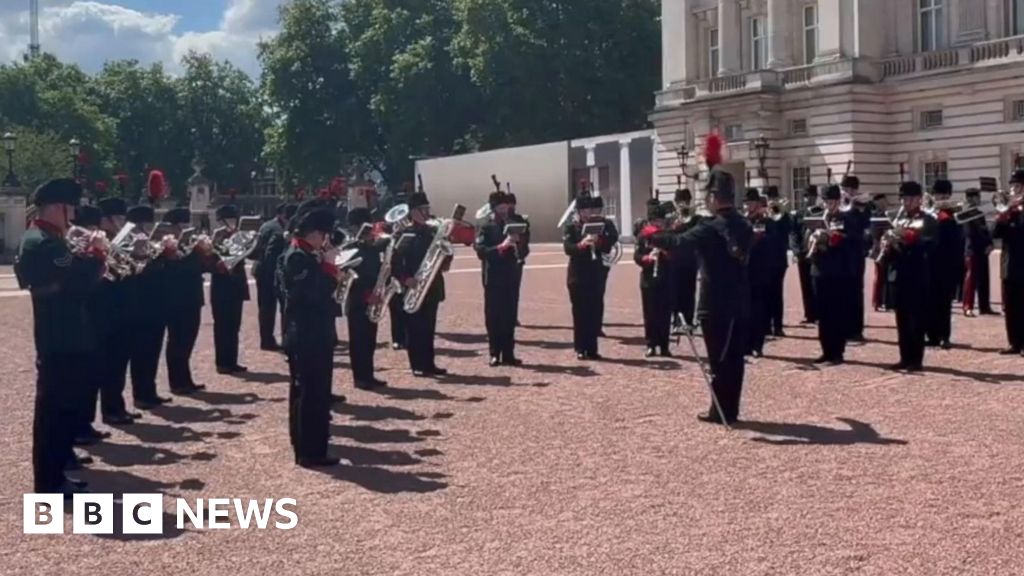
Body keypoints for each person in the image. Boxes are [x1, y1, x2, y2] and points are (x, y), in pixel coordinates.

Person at [16, 178, 106, 495]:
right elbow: (75, 281)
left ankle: (59, 468)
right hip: (58, 336)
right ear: (59, 207)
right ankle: (49, 481)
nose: (73, 216)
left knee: (65, 407)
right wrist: (96, 257)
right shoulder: (42, 242)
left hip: (68, 333)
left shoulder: (52, 239)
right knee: (53, 413)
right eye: (71, 209)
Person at [644, 167, 752, 425]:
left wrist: (652, 236)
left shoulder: (710, 228)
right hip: (740, 299)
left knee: (718, 360)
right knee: (735, 358)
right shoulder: (744, 224)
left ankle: (721, 411)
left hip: (714, 301)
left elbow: (679, 243)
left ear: (714, 198)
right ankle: (729, 408)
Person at [282, 201, 346, 468]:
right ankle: (311, 450)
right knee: (312, 393)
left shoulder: (305, 254)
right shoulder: (298, 257)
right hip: (308, 333)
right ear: (313, 233)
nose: (325, 241)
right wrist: (330, 269)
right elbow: (312, 294)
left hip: (310, 332)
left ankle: (307, 445)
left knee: (308, 391)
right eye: (323, 235)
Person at [88, 197, 142, 427]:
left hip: (125, 310)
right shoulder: (97, 244)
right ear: (105, 221)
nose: (121, 222)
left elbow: (133, 272)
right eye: (117, 218)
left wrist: (139, 253)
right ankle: (109, 410)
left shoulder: (123, 242)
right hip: (105, 312)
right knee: (107, 364)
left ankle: (116, 405)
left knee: (120, 362)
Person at [392, 189, 451, 376]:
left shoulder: (434, 232)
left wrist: (446, 255)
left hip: (432, 284)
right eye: (422, 209)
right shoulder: (404, 233)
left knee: (429, 327)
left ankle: (429, 363)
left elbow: (442, 257)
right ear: (413, 212)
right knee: (414, 327)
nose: (426, 212)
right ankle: (417, 365)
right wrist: (405, 278)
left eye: (427, 208)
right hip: (413, 284)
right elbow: (394, 261)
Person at [878, 182, 936, 371]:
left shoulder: (927, 219)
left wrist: (908, 238)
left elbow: (930, 244)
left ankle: (915, 360)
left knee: (916, 320)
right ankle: (904, 357)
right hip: (898, 274)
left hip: (917, 274)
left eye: (910, 198)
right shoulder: (898, 220)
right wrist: (888, 245)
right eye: (903, 198)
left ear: (919, 199)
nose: (906, 202)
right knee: (901, 319)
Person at [160, 207, 215, 395]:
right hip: (176, 298)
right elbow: (175, 269)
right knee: (177, 341)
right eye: (180, 224)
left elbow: (202, 267)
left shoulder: (190, 245)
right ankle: (176, 381)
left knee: (188, 340)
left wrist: (203, 253)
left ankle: (186, 378)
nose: (184, 228)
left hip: (192, 297)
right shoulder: (166, 247)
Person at [808, 185, 862, 365]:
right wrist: (813, 237)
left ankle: (837, 352)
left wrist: (836, 238)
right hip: (820, 271)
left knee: (837, 313)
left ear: (838, 201)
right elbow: (804, 239)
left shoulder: (846, 218)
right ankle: (826, 350)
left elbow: (854, 241)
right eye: (826, 201)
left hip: (838, 271)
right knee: (823, 314)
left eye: (832, 201)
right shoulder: (817, 218)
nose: (829, 205)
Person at [563, 193, 619, 360]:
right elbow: (568, 248)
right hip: (578, 275)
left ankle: (592, 348)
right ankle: (581, 347)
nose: (588, 213)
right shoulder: (572, 227)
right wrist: (582, 244)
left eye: (590, 209)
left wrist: (599, 240)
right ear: (579, 212)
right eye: (584, 210)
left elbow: (611, 240)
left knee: (593, 310)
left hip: (595, 272)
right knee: (580, 312)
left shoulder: (602, 224)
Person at [475, 189, 524, 366]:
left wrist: (519, 242)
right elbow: (481, 251)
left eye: (505, 207)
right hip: (493, 276)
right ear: (493, 208)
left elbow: (524, 251)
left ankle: (509, 353)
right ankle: (494, 353)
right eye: (500, 207)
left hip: (511, 275)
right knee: (494, 316)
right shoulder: (486, 228)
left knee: (509, 316)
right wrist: (501, 248)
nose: (504, 210)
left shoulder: (513, 224)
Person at [346, 208, 388, 389]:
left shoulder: (370, 247)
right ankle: (360, 377)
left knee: (369, 340)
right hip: (357, 302)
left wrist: (380, 291)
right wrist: (367, 295)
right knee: (358, 342)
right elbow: (350, 279)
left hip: (373, 298)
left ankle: (368, 374)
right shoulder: (349, 249)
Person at [211, 204, 250, 374]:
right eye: (229, 219)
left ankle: (232, 360)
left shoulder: (239, 235)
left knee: (234, 325)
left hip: (236, 284)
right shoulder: (217, 236)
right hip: (222, 285)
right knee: (222, 325)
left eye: (234, 219)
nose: (232, 222)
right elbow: (214, 258)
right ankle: (222, 362)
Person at [925, 180, 963, 349]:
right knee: (929, 301)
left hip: (946, 263)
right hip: (929, 263)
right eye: (938, 194)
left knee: (944, 302)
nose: (941, 197)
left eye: (944, 194)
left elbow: (957, 239)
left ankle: (944, 336)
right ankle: (932, 334)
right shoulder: (928, 213)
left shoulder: (953, 214)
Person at [251, 203, 293, 351]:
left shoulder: (267, 225)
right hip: (269, 272)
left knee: (266, 308)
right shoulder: (278, 230)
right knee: (278, 307)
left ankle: (267, 339)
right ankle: (283, 340)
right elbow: (271, 254)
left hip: (261, 270)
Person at [634, 199, 673, 357]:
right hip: (649, 279)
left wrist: (665, 253)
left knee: (665, 313)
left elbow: (678, 254)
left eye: (660, 221)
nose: (658, 224)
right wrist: (647, 258)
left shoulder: (669, 235)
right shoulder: (643, 236)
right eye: (655, 221)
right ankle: (651, 344)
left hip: (666, 278)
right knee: (650, 313)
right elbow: (637, 256)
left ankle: (664, 345)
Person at [993, 170, 1024, 355]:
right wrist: (1002, 217)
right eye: (1012, 186)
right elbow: (995, 235)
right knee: (1011, 307)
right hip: (1009, 265)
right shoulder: (1009, 212)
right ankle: (1014, 342)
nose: (1013, 190)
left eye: (1018, 186)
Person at [841, 175, 871, 341]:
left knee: (855, 292)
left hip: (855, 253)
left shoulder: (863, 205)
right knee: (842, 291)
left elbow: (864, 226)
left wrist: (853, 207)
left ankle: (856, 329)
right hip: (841, 254)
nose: (848, 192)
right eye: (846, 189)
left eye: (851, 189)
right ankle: (844, 327)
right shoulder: (840, 204)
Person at [745, 189, 774, 358]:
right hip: (745, 269)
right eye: (746, 203)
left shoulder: (767, 221)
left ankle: (757, 344)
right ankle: (746, 344)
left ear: (757, 204)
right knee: (745, 309)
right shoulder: (743, 221)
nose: (748, 206)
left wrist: (760, 238)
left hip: (760, 269)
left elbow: (773, 242)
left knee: (758, 310)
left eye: (751, 203)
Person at [670, 187, 700, 331]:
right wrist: (675, 226)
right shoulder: (670, 218)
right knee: (674, 291)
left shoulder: (695, 219)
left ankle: (688, 321)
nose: (682, 204)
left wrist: (687, 223)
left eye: (685, 201)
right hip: (674, 260)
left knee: (689, 291)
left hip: (690, 260)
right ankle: (676, 321)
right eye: (679, 202)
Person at [962, 188, 996, 316]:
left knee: (984, 280)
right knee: (971, 280)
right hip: (972, 249)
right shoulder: (966, 213)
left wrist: (989, 244)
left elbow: (984, 230)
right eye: (977, 197)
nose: (979, 200)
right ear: (971, 198)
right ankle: (967, 306)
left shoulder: (979, 212)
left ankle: (984, 306)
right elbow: (970, 233)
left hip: (982, 250)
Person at [790, 185, 820, 324]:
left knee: (817, 284)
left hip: (816, 253)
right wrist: (796, 251)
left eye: (812, 196)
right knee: (805, 285)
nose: (810, 199)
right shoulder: (799, 214)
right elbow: (794, 233)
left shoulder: (821, 212)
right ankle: (809, 314)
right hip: (803, 252)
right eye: (808, 196)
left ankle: (819, 313)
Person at [764, 186, 791, 337]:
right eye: (769, 198)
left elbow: (785, 232)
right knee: (765, 293)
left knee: (776, 293)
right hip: (765, 261)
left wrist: (779, 215)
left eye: (773, 198)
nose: (771, 201)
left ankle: (778, 326)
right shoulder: (764, 216)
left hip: (778, 259)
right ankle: (766, 325)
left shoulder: (784, 216)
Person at [507, 193, 530, 327]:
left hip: (517, 258)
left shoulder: (521, 219)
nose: (510, 206)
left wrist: (522, 253)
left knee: (514, 290)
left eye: (512, 204)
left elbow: (526, 238)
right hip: (504, 258)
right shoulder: (501, 220)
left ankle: (513, 316)